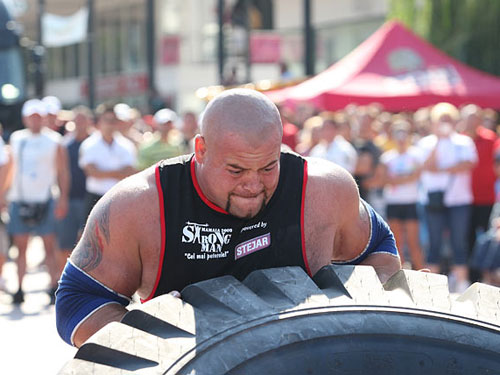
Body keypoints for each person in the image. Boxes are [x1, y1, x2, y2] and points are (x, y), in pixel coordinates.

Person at [56, 89, 401, 347]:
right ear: (201, 150)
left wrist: (351, 323)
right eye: (235, 169)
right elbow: (77, 301)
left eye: (268, 167)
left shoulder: (322, 190)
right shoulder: (140, 205)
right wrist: (159, 340)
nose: (252, 185)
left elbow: (379, 247)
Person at [7, 99, 69, 304]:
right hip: (20, 198)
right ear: (25, 118)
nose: (34, 120)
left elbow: (62, 172)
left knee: (49, 246)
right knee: (21, 246)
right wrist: (4, 195)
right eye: (31, 116)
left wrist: (63, 198)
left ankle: (52, 285)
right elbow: (11, 168)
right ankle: (19, 288)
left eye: (38, 117)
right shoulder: (17, 139)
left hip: (45, 198)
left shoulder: (54, 140)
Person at [417, 102, 477, 292]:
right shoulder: (426, 143)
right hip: (433, 201)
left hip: (459, 200)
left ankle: (461, 284)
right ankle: (431, 287)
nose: (445, 123)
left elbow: (469, 163)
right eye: (441, 119)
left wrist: (443, 168)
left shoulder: (463, 141)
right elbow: (425, 165)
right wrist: (437, 141)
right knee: (433, 243)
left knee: (459, 242)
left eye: (448, 119)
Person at [376, 121, 425, 270]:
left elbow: (416, 176)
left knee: (413, 241)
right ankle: (400, 273)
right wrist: (404, 178)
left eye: (404, 135)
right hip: (394, 202)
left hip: (411, 201)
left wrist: (397, 180)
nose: (401, 139)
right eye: (398, 135)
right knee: (397, 241)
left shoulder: (416, 155)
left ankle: (422, 273)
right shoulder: (387, 157)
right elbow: (383, 179)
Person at [459, 104, 498, 283]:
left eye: (475, 117)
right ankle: (472, 278)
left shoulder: (491, 139)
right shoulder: (460, 140)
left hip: (487, 197)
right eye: (469, 117)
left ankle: (486, 277)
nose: (472, 121)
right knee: (468, 238)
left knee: (487, 238)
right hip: (465, 198)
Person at [79, 103, 137, 218]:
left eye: (113, 121)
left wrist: (103, 173)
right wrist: (118, 173)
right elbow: (92, 173)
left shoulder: (127, 145)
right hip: (95, 198)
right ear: (99, 122)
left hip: (120, 197)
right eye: (107, 120)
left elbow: (130, 172)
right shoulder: (89, 145)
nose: (110, 124)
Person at [55, 105, 94, 276]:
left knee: (88, 243)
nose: (80, 123)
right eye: (77, 120)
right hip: (70, 198)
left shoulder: (95, 143)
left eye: (83, 119)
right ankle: (64, 278)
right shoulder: (65, 144)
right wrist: (61, 198)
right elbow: (60, 172)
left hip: (91, 199)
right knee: (65, 242)